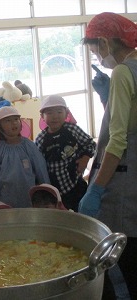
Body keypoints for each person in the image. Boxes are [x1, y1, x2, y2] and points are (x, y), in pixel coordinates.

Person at [79, 12, 137, 299]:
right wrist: (107, 98)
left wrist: (97, 189)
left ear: (104, 42)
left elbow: (118, 140)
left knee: (121, 259)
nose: (97, 56)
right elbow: (130, 120)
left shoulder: (124, 72)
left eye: (94, 49)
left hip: (125, 181)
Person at [35, 95, 96, 212]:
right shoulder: (41, 139)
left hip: (75, 183)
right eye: (50, 113)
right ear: (42, 116)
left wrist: (85, 159)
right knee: (62, 216)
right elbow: (38, 163)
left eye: (59, 112)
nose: (55, 116)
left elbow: (90, 144)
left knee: (81, 212)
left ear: (66, 113)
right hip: (54, 189)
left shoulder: (72, 130)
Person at [0, 106, 50, 208]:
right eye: (8, 121)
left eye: (16, 119)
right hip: (6, 197)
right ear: (0, 127)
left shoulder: (29, 145)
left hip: (28, 195)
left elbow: (40, 167)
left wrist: (46, 188)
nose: (14, 123)